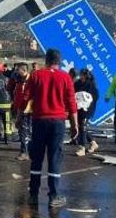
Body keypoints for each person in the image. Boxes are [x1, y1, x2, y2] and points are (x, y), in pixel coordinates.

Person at [18, 48, 78, 207]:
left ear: (46, 60)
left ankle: (33, 195)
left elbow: (25, 99)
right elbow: (72, 104)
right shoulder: (65, 77)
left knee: (36, 157)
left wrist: (19, 117)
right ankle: (53, 196)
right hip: (57, 122)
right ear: (59, 61)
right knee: (54, 158)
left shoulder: (36, 76)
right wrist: (75, 125)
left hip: (39, 121)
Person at [8, 62, 32, 160]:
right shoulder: (18, 81)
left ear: (23, 70)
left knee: (26, 131)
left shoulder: (31, 81)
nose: (16, 72)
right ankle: (25, 151)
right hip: (20, 109)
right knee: (22, 131)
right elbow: (12, 91)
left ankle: (25, 152)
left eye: (18, 70)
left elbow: (27, 97)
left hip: (29, 110)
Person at [74, 68, 99, 155]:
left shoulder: (91, 85)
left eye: (81, 75)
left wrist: (86, 105)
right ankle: (93, 143)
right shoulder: (77, 84)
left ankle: (82, 148)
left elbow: (93, 98)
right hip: (78, 108)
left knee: (83, 126)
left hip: (87, 109)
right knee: (81, 127)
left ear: (85, 75)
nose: (80, 76)